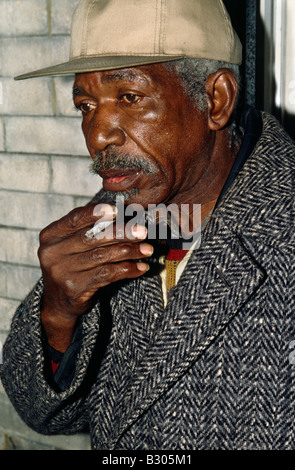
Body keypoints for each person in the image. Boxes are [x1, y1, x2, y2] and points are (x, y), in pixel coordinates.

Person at [1, 0, 295, 451]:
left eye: (129, 97)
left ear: (216, 99)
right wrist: (58, 317)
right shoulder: (118, 214)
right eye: (85, 105)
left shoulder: (281, 229)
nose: (97, 135)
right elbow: (44, 413)